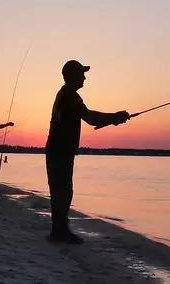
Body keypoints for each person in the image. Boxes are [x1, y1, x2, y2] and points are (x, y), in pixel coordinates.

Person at [46, 60, 130, 244]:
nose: (84, 77)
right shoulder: (70, 96)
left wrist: (111, 120)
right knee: (63, 190)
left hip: (57, 149)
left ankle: (59, 230)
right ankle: (59, 232)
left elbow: (89, 117)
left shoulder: (65, 94)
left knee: (61, 190)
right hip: (60, 150)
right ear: (73, 76)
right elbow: (90, 117)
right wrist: (115, 117)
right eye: (81, 74)